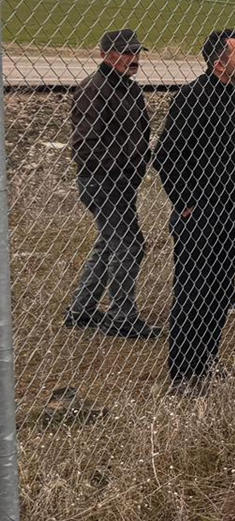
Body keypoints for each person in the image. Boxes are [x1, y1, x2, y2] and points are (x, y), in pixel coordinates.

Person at [154, 31, 235, 393]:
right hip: (200, 212)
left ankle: (207, 362)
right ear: (219, 64)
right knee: (194, 291)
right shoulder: (194, 97)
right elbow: (166, 156)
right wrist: (186, 203)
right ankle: (183, 374)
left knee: (221, 291)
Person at [65, 29, 159, 339]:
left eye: (136, 52)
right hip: (102, 182)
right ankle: (122, 315)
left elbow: (136, 136)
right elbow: (85, 145)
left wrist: (139, 163)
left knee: (110, 242)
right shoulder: (94, 89)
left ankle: (82, 310)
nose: (134, 59)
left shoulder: (127, 89)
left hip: (122, 182)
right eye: (127, 53)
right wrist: (120, 169)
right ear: (106, 55)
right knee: (129, 244)